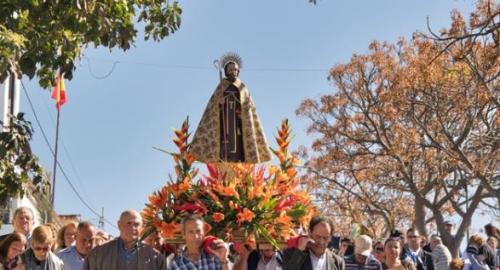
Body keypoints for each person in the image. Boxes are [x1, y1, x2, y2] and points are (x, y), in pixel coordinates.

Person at [190, 53, 272, 164]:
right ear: (226, 71)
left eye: (235, 70)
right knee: (226, 142)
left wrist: (240, 109)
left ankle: (240, 158)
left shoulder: (243, 87)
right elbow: (212, 106)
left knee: (239, 142)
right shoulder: (222, 86)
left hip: (238, 122)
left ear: (238, 72)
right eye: (231, 69)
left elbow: (248, 107)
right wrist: (220, 103)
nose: (233, 71)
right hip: (225, 122)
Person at [83, 209, 166, 270]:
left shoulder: (155, 257)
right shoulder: (98, 253)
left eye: (136, 224)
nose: (132, 228)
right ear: (119, 225)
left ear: (142, 228)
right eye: (128, 223)